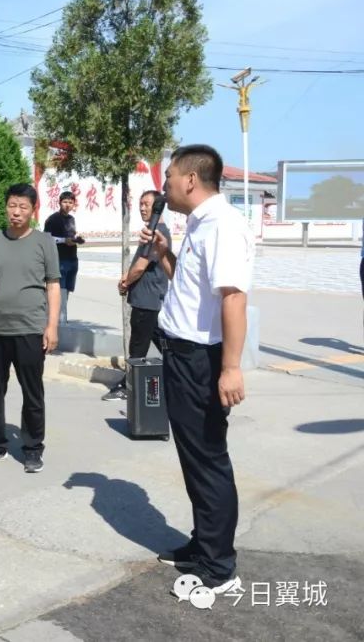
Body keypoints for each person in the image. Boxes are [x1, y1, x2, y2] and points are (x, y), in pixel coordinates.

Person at [140, 144, 254, 596]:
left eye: (169, 176)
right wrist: (165, 254)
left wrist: (231, 368)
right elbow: (192, 291)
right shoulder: (200, 224)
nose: (164, 185)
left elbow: (233, 297)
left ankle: (218, 568)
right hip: (181, 355)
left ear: (190, 180)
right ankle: (204, 543)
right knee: (194, 458)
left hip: (200, 361)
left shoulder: (223, 225)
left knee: (207, 460)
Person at [0, 183, 60, 474]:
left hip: (30, 328)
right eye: (12, 205)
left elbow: (53, 285)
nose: (16, 212)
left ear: (33, 210)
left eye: (23, 207)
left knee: (32, 392)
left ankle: (32, 448)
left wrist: (52, 326)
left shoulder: (44, 242)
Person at [102, 190, 173, 401]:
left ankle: (128, 387)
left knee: (137, 348)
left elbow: (141, 266)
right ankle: (177, 378)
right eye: (140, 204)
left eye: (147, 204)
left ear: (158, 207)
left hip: (146, 300)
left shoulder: (156, 232)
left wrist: (125, 282)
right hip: (150, 298)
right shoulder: (154, 230)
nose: (142, 208)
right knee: (164, 345)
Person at [43, 191, 84, 323]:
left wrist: (76, 239)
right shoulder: (52, 219)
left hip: (72, 259)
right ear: (59, 202)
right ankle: (58, 322)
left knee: (66, 291)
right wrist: (63, 240)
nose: (67, 205)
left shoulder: (71, 219)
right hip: (59, 260)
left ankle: (61, 320)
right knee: (58, 292)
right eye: (65, 202)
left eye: (70, 202)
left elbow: (70, 236)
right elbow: (46, 238)